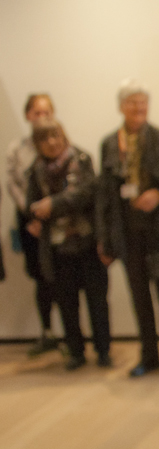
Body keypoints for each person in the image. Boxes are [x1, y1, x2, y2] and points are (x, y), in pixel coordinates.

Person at [96, 79, 159, 378]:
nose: (139, 108)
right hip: (126, 230)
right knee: (140, 297)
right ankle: (149, 357)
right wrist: (104, 237)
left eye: (143, 102)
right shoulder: (110, 143)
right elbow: (105, 195)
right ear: (121, 107)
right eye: (132, 102)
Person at [26, 119, 110, 370]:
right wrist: (35, 212)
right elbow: (32, 204)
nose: (52, 142)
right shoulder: (35, 170)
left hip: (87, 242)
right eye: (45, 139)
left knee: (97, 301)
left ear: (64, 137)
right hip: (57, 247)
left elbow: (86, 193)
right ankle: (76, 351)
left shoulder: (81, 160)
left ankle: (103, 350)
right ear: (38, 144)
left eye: (56, 136)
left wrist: (53, 205)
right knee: (66, 302)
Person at [6, 94, 60, 356]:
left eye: (46, 112)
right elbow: (13, 185)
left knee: (63, 276)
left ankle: (73, 335)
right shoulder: (17, 149)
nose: (42, 117)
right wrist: (31, 215)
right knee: (41, 277)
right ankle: (47, 332)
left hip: (57, 220)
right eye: (37, 113)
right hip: (30, 223)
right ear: (28, 115)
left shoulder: (59, 142)